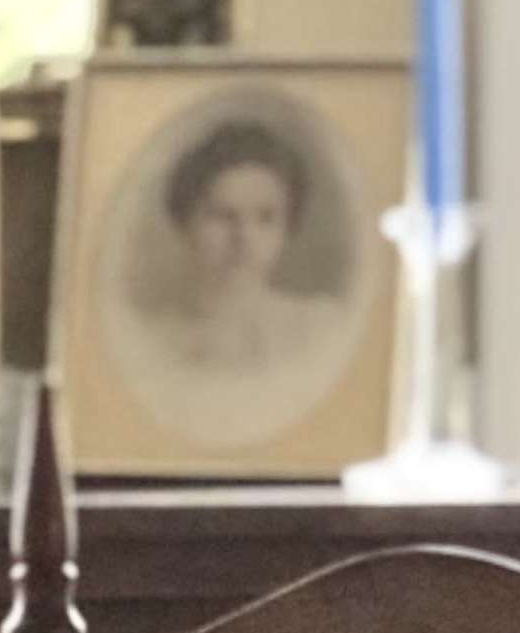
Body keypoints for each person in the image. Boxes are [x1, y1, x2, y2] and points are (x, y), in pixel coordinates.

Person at [107, 97, 365, 451]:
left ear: (287, 227)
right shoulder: (151, 339)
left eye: (265, 218)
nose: (244, 239)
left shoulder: (317, 328)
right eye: (222, 216)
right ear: (186, 224)